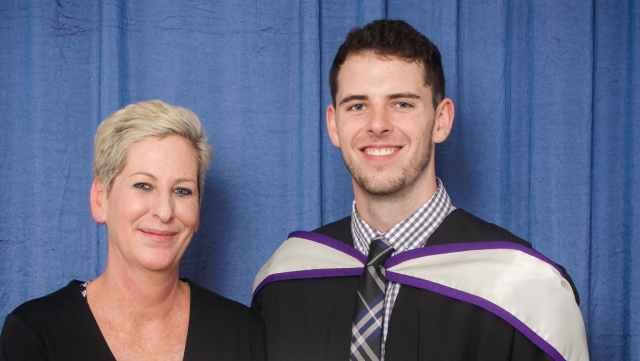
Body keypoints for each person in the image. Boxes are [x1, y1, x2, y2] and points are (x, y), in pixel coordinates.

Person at [251, 20, 589, 361]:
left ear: (440, 120)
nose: (378, 124)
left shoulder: (525, 289)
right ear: (333, 124)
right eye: (357, 105)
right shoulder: (284, 281)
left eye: (402, 104)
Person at [0, 100, 266, 361]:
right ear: (99, 199)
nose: (164, 211)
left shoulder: (243, 333)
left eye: (182, 191)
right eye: (143, 185)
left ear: (198, 211)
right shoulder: (34, 334)